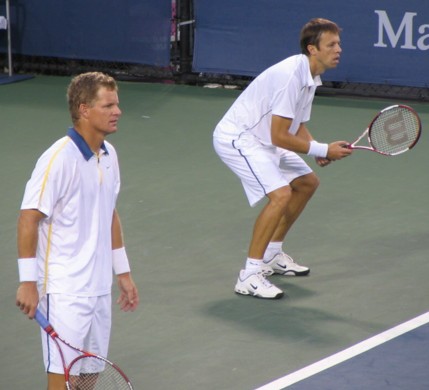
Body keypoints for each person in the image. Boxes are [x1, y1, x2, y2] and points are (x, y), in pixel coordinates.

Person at [15, 72, 139, 388]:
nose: (117, 111)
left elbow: (108, 213)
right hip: (64, 290)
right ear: (84, 109)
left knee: (88, 377)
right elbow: (29, 217)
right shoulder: (58, 158)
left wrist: (122, 273)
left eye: (117, 104)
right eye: (108, 105)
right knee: (63, 378)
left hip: (99, 289)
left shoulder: (110, 156)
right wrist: (27, 282)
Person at [213, 18, 353, 299]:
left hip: (264, 138)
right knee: (280, 194)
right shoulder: (292, 76)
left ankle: (271, 254)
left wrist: (315, 146)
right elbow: (279, 136)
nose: (339, 49)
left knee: (307, 183)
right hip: (241, 138)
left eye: (338, 43)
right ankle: (249, 275)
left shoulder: (310, 76)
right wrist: (322, 150)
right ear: (313, 49)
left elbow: (296, 124)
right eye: (331, 44)